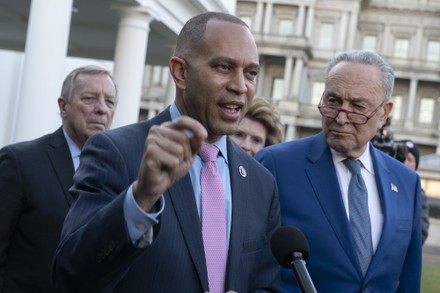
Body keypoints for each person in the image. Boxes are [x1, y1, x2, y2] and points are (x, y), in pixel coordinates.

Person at [52, 12, 280, 293]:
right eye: (223, 67)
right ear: (180, 72)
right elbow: (71, 274)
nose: (240, 86)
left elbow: (265, 284)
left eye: (251, 73)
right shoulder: (117, 151)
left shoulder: (261, 181)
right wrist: (141, 198)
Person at [256, 50, 422, 292]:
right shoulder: (276, 164)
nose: (341, 118)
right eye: (333, 102)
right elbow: (251, 265)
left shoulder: (407, 182)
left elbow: (408, 279)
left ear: (384, 113)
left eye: (357, 106)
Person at [0, 65, 117, 292]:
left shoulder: (121, 171)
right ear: (64, 106)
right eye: (90, 98)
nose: (102, 109)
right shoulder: (19, 162)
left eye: (110, 102)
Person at [401, 139, 430, 244]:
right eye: (402, 157)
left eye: (410, 159)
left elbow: (421, 231)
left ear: (415, 165)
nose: (404, 162)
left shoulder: (419, 194)